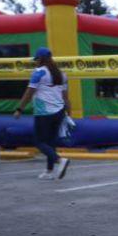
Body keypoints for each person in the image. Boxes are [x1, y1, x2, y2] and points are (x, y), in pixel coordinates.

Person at [13, 47, 70, 180]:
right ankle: (49, 172)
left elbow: (29, 93)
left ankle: (59, 160)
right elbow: (66, 97)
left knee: (39, 142)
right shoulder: (62, 74)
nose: (36, 62)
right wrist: (68, 113)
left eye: (37, 59)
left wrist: (19, 109)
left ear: (40, 59)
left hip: (44, 112)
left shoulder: (38, 72)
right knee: (50, 142)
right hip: (59, 111)